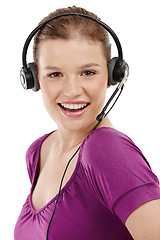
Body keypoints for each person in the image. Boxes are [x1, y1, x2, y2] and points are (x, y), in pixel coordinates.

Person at [14, 6, 160, 240]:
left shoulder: (108, 151)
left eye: (88, 72)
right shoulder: (39, 152)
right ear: (33, 78)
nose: (72, 91)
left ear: (113, 76)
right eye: (55, 74)